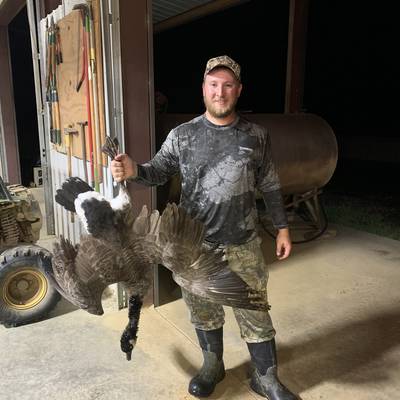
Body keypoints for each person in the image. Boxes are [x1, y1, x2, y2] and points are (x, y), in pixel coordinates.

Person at [111, 55, 299, 399]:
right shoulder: (183, 135)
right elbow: (157, 172)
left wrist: (283, 228)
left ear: (238, 90)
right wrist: (134, 169)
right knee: (203, 312)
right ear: (203, 89)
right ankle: (213, 366)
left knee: (255, 311)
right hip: (194, 248)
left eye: (227, 85)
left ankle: (265, 377)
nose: (220, 92)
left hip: (243, 244)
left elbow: (271, 184)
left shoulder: (256, 136)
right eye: (213, 84)